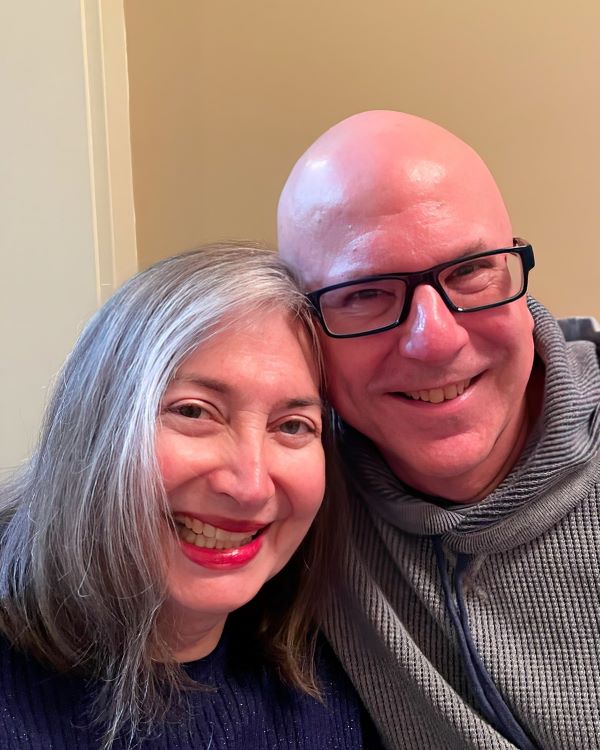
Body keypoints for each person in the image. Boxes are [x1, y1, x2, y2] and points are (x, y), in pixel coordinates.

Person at [277, 110, 600, 750]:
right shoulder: (291, 491)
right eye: (365, 292)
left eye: (471, 270)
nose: (435, 339)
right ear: (306, 329)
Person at [0, 243, 380, 749]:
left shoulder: (345, 673)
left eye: (292, 425)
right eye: (194, 412)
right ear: (95, 423)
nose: (250, 486)